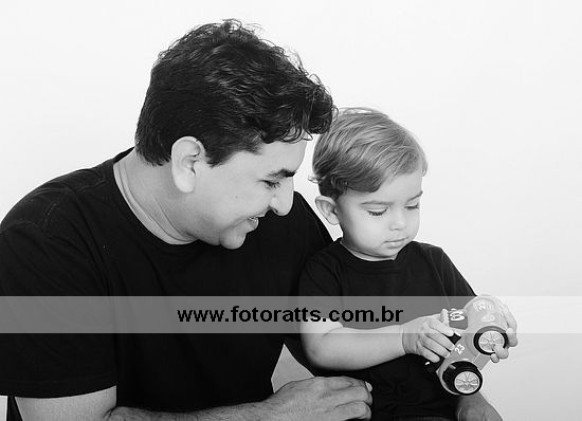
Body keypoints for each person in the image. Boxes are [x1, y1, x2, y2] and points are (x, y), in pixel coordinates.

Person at [0, 21, 373, 420]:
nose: (284, 204)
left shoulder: (283, 224)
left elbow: (362, 344)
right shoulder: (44, 244)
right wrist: (272, 416)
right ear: (189, 162)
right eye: (270, 181)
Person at [299, 108, 518, 420]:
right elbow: (321, 346)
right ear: (332, 211)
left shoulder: (434, 262)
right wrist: (405, 337)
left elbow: (467, 323)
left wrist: (490, 324)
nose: (400, 223)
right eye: (378, 211)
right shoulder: (323, 271)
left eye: (412, 205)